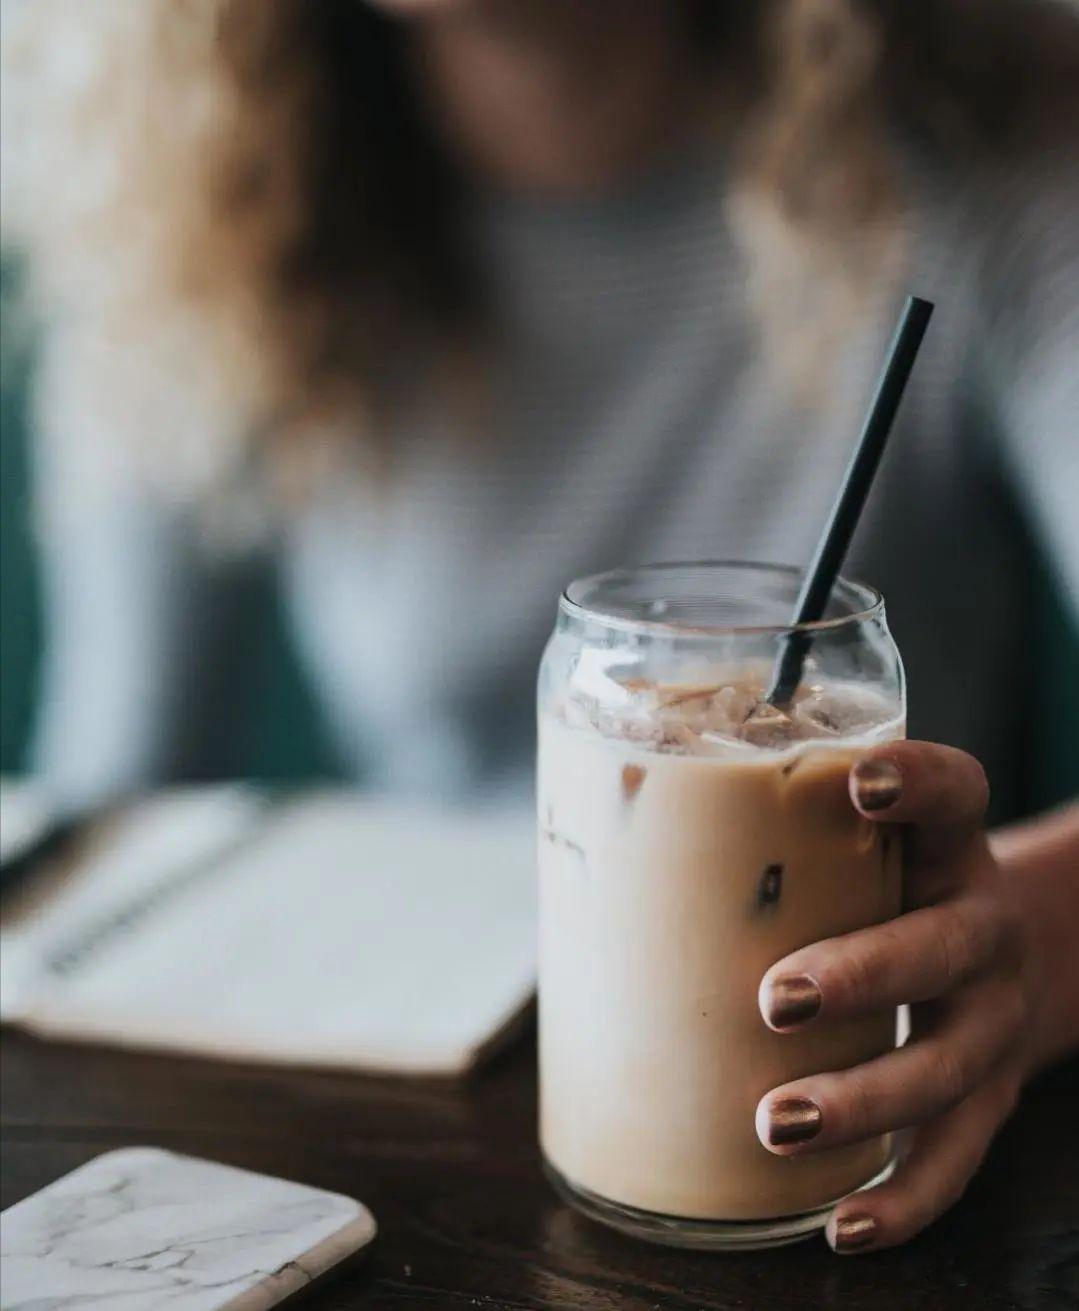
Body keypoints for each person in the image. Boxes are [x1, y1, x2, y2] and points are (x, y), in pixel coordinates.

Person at [2, 0, 1077, 1253]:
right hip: (415, 1115)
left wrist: (1037, 939)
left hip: (862, 1094)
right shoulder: (194, 204)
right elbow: (109, 793)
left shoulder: (984, 144)